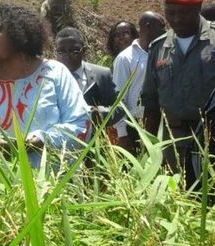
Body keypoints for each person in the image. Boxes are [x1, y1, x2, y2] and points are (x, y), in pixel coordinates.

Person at [0, 3, 91, 167]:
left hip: (50, 187)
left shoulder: (55, 72)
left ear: (19, 27)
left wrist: (41, 140)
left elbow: (81, 125)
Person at [141, 0, 215, 183]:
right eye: (171, 13)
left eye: (184, 13)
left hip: (210, 140)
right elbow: (151, 103)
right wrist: (147, 150)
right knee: (177, 199)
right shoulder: (159, 48)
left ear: (198, 9)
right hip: (172, 142)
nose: (176, 19)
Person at [112, 11, 165, 153]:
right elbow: (119, 98)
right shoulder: (125, 58)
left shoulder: (162, 53)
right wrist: (122, 133)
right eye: (162, 28)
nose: (165, 32)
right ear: (148, 27)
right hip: (135, 125)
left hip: (159, 121)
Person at [55, 27, 116, 108]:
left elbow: (119, 108)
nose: (67, 56)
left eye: (74, 50)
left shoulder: (102, 75)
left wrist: (98, 113)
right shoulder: (47, 79)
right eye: (61, 51)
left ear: (83, 51)